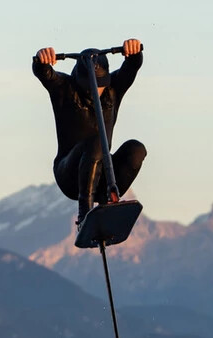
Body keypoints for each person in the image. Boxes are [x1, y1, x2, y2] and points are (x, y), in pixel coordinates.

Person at [33, 39, 146, 230]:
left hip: (103, 175)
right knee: (97, 143)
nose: (96, 91)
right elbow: (44, 73)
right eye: (90, 86)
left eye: (101, 85)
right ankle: (85, 215)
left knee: (136, 149)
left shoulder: (113, 89)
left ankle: (109, 202)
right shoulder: (64, 88)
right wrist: (42, 59)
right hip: (70, 175)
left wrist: (134, 51)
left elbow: (132, 66)